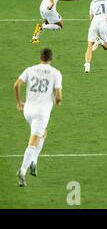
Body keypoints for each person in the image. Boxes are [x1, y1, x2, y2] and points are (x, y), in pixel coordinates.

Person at [14, 48, 62, 186]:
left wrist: (18, 102)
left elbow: (16, 84)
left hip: (27, 110)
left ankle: (34, 161)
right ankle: (22, 171)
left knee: (43, 133)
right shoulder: (55, 73)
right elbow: (58, 96)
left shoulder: (30, 69)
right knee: (33, 142)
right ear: (51, 59)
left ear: (40, 58)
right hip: (41, 113)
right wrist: (58, 101)